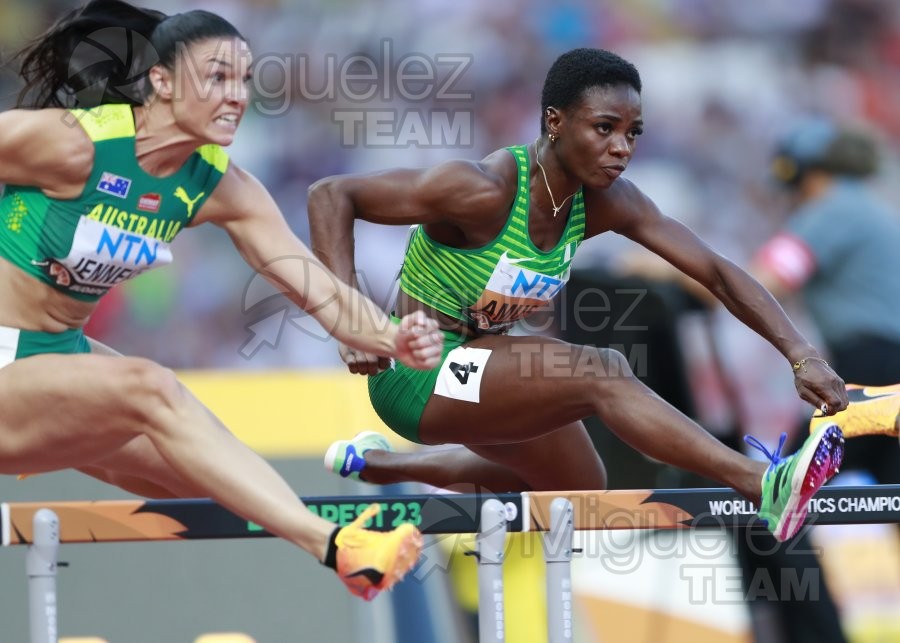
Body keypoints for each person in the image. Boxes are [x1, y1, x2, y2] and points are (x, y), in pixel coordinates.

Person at [308, 48, 850, 543]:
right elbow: (332, 195)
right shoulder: (481, 190)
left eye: (633, 133)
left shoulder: (608, 201)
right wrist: (349, 320)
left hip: (478, 370)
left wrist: (801, 355)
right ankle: (758, 483)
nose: (621, 148)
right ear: (554, 122)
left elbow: (715, 271)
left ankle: (386, 468)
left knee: (578, 486)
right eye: (604, 128)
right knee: (604, 370)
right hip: (417, 369)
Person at [0, 0, 446, 601]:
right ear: (160, 81)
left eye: (243, 79)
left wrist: (392, 336)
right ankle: (338, 547)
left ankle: (52, 439)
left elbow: (315, 287)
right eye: (217, 77)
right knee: (153, 387)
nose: (237, 95)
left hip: (52, 359)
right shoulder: (71, 146)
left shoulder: (219, 185)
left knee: (192, 472)